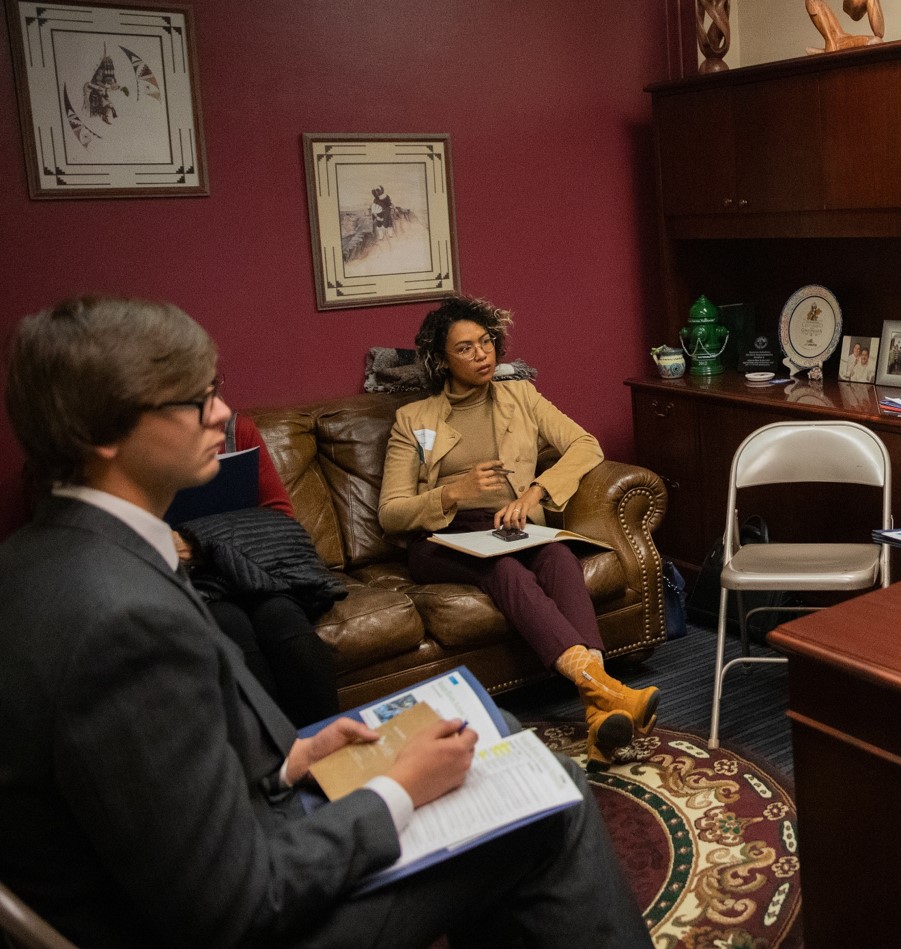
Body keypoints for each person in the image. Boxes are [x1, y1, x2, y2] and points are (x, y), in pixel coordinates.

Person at [0, 296, 649, 949]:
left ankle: (591, 682)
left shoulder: (49, 556)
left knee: (498, 734)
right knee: (553, 797)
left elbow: (147, 795)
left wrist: (291, 762)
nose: (224, 414)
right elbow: (238, 906)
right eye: (195, 400)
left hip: (230, 840)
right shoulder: (122, 620)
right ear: (103, 434)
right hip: (242, 910)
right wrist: (399, 790)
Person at [379, 295, 658, 767]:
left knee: (559, 558)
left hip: (514, 523)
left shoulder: (520, 396)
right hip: (444, 537)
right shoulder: (414, 420)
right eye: (465, 348)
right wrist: (453, 493)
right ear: (440, 359)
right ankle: (609, 691)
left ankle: (597, 715)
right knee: (506, 571)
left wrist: (536, 493)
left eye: (486, 341)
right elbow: (390, 512)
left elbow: (584, 444)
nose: (482, 354)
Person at [173, 408, 341, 725]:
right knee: (232, 632)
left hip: (259, 568)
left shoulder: (238, 431)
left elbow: (279, 513)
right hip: (199, 584)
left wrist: (201, 541)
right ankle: (278, 763)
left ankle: (330, 755)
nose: (217, 405)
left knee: (286, 624)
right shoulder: (144, 449)